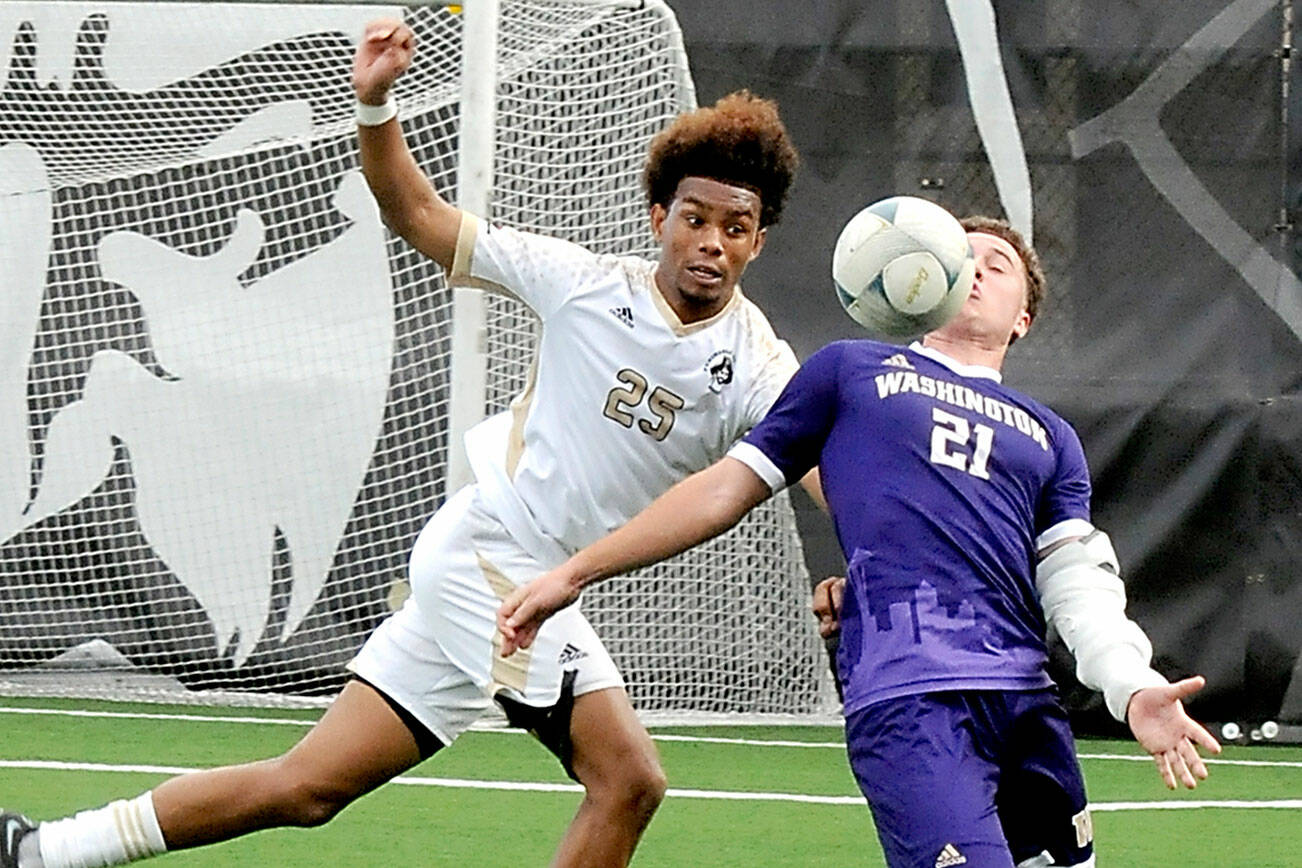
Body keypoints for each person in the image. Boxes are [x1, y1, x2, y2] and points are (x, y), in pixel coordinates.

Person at [0, 18, 816, 868]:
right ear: (659, 217)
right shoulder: (581, 286)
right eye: (694, 218)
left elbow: (821, 464)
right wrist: (375, 101)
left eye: (734, 226)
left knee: (307, 786)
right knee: (629, 781)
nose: (710, 243)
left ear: (758, 240)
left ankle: (41, 850)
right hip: (492, 559)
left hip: (524, 581)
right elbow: (415, 210)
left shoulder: (757, 361)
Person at [497, 215, 1223, 868]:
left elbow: (1079, 582)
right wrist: (579, 570)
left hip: (1027, 702)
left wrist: (1131, 686)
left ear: (1024, 318)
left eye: (995, 263)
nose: (970, 266)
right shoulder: (850, 371)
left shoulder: (1049, 435)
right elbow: (728, 486)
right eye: (955, 254)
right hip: (911, 698)